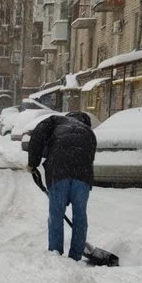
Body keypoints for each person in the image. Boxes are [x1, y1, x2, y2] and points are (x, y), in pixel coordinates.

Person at [26, 111, 97, 261]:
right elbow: (89, 157)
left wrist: (33, 163)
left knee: (56, 214)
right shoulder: (89, 132)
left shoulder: (55, 121)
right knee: (80, 215)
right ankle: (76, 255)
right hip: (83, 175)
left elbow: (37, 135)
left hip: (59, 171)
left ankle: (55, 253)